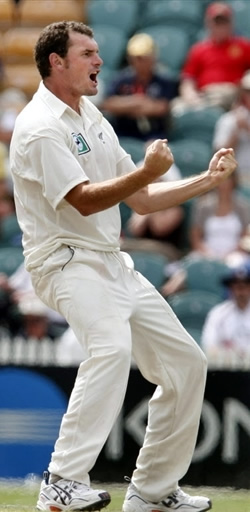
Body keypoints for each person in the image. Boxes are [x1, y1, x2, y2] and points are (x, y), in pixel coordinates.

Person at [9, 21, 237, 512]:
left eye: (96, 51)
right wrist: (146, 169)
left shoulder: (89, 114)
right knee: (111, 348)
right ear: (57, 62)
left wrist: (206, 179)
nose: (99, 61)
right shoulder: (39, 127)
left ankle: (152, 491)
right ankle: (62, 481)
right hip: (65, 261)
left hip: (112, 262)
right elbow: (84, 202)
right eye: (87, 53)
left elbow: (144, 199)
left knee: (186, 364)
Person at [172, 2, 250, 113]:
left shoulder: (243, 46)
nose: (220, 26)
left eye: (224, 22)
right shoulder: (199, 49)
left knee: (219, 98)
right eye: (217, 22)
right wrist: (190, 95)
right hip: (204, 94)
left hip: (231, 93)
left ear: (231, 23)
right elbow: (188, 79)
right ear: (209, 24)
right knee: (176, 108)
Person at [100, 33, 177, 141]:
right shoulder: (121, 79)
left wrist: (125, 107)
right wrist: (137, 101)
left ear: (153, 57)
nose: (139, 63)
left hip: (154, 132)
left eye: (143, 58)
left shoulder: (164, 80)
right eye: (135, 59)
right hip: (122, 131)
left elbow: (161, 108)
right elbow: (109, 104)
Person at [201, 263, 250, 364]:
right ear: (231, 288)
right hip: (227, 368)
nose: (241, 291)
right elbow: (209, 344)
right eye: (237, 286)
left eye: (245, 286)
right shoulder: (218, 313)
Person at [213, 70, 250, 190]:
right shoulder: (229, 119)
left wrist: (246, 128)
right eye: (248, 92)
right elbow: (220, 154)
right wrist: (236, 132)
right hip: (236, 180)